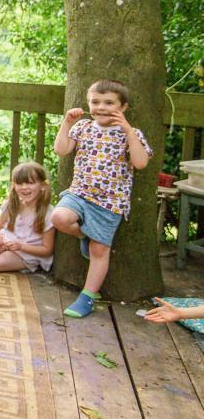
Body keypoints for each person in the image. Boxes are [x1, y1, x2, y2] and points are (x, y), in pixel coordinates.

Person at [53, 79, 151, 318]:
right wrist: (67, 122)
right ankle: (83, 234)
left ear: (123, 107)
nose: (101, 107)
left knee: (99, 250)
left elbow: (140, 163)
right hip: (79, 194)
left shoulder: (132, 133)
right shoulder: (83, 126)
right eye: (95, 102)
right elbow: (61, 149)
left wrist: (128, 131)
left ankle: (87, 296)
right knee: (59, 217)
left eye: (109, 102)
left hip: (110, 203)